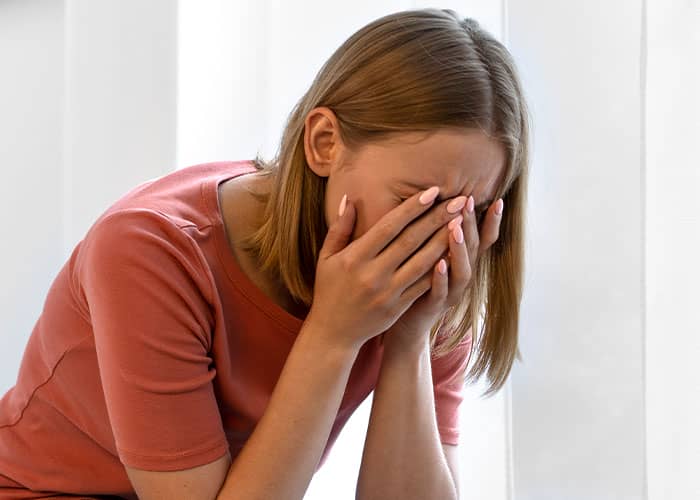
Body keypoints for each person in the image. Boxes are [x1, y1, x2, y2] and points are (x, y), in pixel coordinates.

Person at [0, 7, 530, 500]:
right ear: (324, 143)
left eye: (474, 210)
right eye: (418, 201)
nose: (443, 235)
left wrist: (410, 338)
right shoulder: (149, 251)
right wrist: (333, 334)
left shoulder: (440, 266)